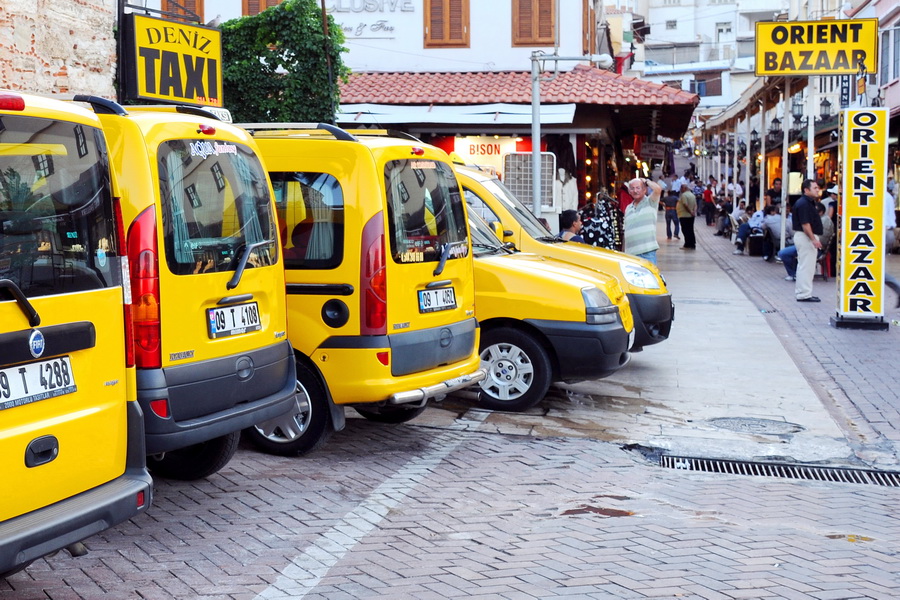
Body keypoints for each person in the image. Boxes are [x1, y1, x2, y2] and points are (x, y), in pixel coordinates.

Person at [791, 179, 823, 302]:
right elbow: (805, 224)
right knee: (806, 266)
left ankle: (804, 292)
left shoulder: (807, 203)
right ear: (806, 190)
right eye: (814, 188)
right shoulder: (804, 204)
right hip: (806, 237)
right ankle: (804, 293)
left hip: (806, 236)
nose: (817, 190)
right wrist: (813, 239)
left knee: (805, 266)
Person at [623, 177, 662, 264]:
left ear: (644, 190)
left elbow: (658, 189)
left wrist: (646, 181)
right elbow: (626, 230)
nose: (635, 191)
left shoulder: (650, 202)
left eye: (638, 188)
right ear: (629, 191)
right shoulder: (628, 208)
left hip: (646, 252)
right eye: (632, 188)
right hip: (630, 254)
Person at [676, 183, 697, 250]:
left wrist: (690, 211)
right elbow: (695, 205)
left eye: (681, 188)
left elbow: (685, 205)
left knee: (685, 230)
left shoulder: (684, 195)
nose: (680, 190)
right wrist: (693, 212)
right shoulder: (692, 195)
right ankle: (692, 244)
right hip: (691, 216)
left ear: (684, 188)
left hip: (684, 215)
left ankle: (687, 244)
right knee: (690, 230)